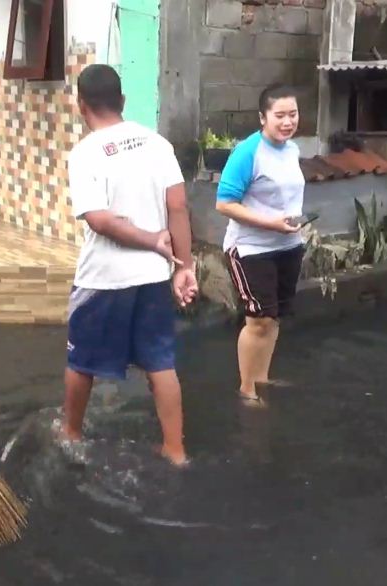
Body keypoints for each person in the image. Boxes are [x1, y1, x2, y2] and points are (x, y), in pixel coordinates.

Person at [59, 64, 198, 467]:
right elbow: (178, 207)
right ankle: (175, 450)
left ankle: (70, 432)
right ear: (122, 100)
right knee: (160, 362)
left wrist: (152, 240)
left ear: (81, 106)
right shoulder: (158, 144)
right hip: (153, 277)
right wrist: (183, 266)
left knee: (81, 360)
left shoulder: (85, 153)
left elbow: (99, 220)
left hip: (104, 279)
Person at [215, 85, 305, 406]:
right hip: (251, 248)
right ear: (262, 117)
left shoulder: (292, 149)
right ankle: (246, 388)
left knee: (274, 316)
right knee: (258, 319)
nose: (287, 121)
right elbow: (224, 203)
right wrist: (272, 224)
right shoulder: (248, 151)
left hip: (288, 244)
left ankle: (262, 377)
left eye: (292, 114)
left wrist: (295, 225)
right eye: (279, 115)